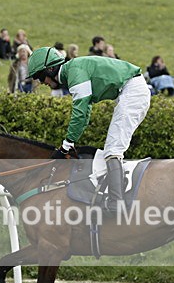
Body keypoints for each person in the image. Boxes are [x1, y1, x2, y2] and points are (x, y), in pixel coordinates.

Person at [27, 47, 151, 213]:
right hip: (130, 90)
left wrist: (66, 145)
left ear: (51, 69)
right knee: (111, 149)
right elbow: (85, 113)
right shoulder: (73, 71)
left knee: (113, 149)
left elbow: (79, 113)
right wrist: (69, 144)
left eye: (41, 77)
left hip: (133, 91)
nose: (42, 82)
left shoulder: (75, 72)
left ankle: (116, 203)